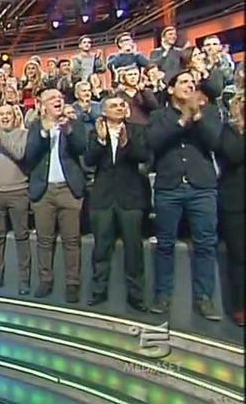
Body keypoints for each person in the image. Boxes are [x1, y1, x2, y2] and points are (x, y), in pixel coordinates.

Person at [146, 71, 223, 320]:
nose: (190, 85)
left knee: (205, 244)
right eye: (184, 82)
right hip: (169, 187)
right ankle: (162, 295)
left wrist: (197, 116)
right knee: (165, 244)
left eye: (192, 82)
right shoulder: (158, 116)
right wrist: (182, 121)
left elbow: (215, 142)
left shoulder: (209, 112)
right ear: (171, 89)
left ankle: (204, 298)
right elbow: (153, 142)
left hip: (202, 187)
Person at [83, 95, 149, 311]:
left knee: (134, 249)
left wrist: (126, 143)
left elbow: (143, 156)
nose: (119, 108)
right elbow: (89, 160)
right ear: (104, 111)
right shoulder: (95, 133)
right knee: (101, 249)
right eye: (114, 105)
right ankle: (98, 291)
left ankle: (136, 295)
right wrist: (101, 141)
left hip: (130, 198)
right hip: (103, 198)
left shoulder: (137, 131)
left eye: (122, 105)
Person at [25, 89, 87, 303]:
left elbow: (82, 147)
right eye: (52, 99)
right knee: (44, 240)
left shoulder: (74, 123)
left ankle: (72, 282)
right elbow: (30, 155)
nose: (58, 101)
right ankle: (45, 279)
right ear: (42, 106)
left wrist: (68, 129)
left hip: (69, 189)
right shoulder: (35, 127)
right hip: (44, 191)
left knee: (72, 240)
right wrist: (44, 132)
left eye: (60, 98)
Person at [0, 104, 31, 294]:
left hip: (18, 192)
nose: (5, 117)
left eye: (8, 113)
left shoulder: (24, 134)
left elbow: (19, 153)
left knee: (21, 236)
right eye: (1, 114)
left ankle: (24, 281)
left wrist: (1, 135)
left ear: (14, 116)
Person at [216, 93, 244, 325]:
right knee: (239, 256)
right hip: (236, 202)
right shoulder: (228, 131)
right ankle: (240, 306)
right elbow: (234, 155)